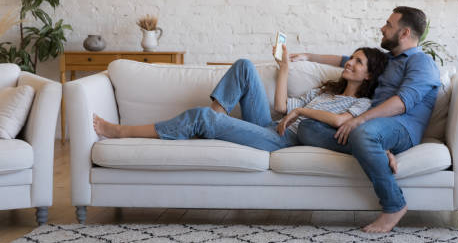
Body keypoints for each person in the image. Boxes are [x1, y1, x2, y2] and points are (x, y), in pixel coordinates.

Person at [291, 6, 440, 233]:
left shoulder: (421, 62)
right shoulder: (389, 60)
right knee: (308, 127)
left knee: (363, 133)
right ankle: (377, 151)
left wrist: (359, 120)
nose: (383, 28)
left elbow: (403, 102)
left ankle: (394, 205)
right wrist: (308, 56)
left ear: (404, 33)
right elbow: (345, 60)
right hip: (375, 127)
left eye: (389, 25)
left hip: (403, 126)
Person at [93, 46, 389, 155]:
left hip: (287, 140)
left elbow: (339, 122)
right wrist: (284, 69)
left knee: (201, 118)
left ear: (368, 76)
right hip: (273, 125)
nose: (350, 63)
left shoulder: (363, 105)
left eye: (358, 62)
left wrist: (302, 111)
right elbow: (280, 109)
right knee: (244, 65)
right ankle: (213, 119)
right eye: (352, 59)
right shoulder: (326, 90)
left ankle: (120, 131)